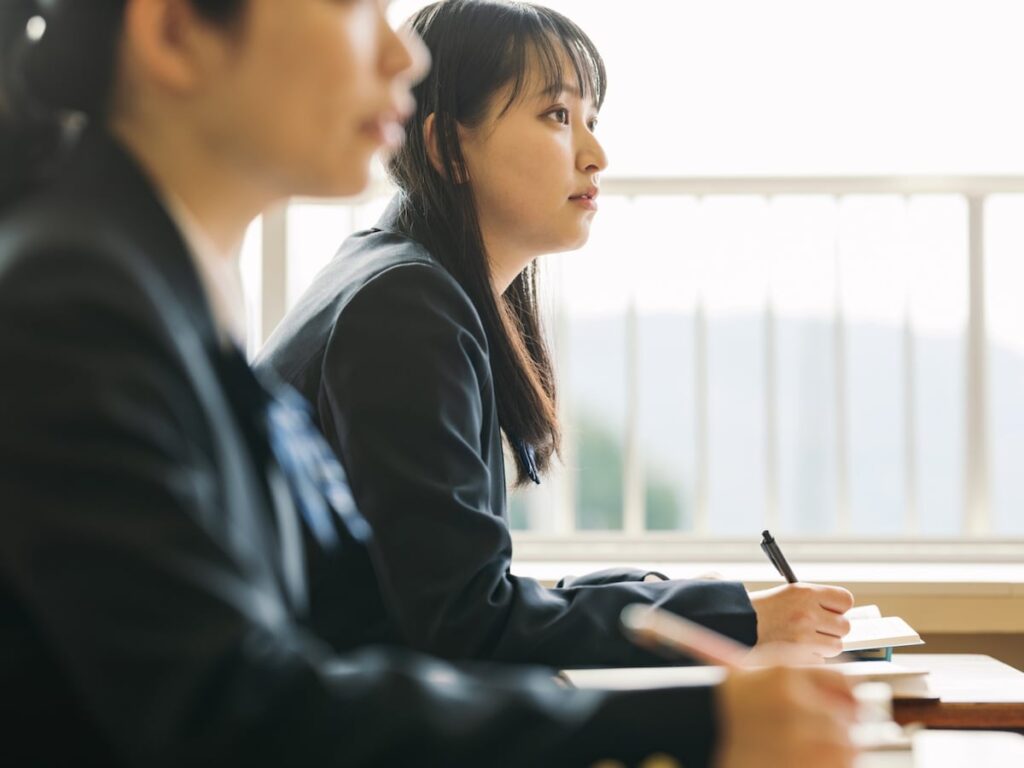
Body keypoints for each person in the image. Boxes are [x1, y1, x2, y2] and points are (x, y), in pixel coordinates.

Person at [0, 1, 858, 766]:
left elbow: (358, 621)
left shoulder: (154, 283)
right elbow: (237, 709)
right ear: (176, 30)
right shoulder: (76, 304)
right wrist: (690, 726)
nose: (402, 59)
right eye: (349, 7)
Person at [256, 0, 855, 668]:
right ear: (445, 146)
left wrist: (688, 600)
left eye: (590, 120)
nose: (595, 155)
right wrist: (734, 622)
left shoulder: (398, 278)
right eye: (558, 116)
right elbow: (466, 627)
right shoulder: (407, 306)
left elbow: (461, 600)